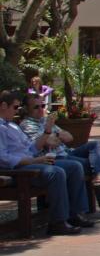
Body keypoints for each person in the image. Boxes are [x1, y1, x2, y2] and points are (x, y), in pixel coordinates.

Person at [20, 94, 100, 220]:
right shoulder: (27, 125)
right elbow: (48, 143)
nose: (41, 109)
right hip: (55, 158)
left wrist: (53, 133)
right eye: (36, 107)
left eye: (43, 106)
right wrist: (52, 134)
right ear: (27, 109)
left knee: (95, 145)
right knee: (92, 166)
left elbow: (69, 137)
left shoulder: (45, 121)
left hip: (67, 153)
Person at [0, 90, 94, 235]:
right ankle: (58, 222)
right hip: (18, 169)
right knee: (56, 173)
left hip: (32, 161)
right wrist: (35, 160)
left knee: (75, 167)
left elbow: (32, 148)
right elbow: (4, 159)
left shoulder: (12, 126)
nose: (18, 111)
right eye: (15, 107)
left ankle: (74, 214)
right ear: (4, 105)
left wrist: (47, 132)